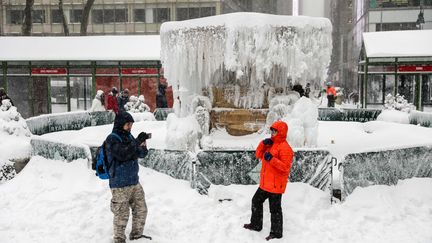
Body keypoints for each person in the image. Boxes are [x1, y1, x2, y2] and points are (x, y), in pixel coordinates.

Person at [244, 120, 294, 241]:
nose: (272, 133)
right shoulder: (271, 144)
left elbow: (285, 167)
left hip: (276, 186)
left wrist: (271, 159)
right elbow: (258, 154)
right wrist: (262, 144)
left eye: (275, 131)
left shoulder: (285, 148)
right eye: (272, 130)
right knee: (256, 201)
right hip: (265, 184)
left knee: (275, 210)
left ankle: (276, 233)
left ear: (281, 132)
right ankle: (256, 225)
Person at [105, 111, 151, 243]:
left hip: (133, 181)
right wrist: (136, 142)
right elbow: (123, 154)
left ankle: (137, 236)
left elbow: (141, 154)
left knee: (141, 209)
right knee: (122, 215)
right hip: (119, 184)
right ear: (120, 124)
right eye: (127, 124)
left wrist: (142, 143)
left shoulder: (130, 137)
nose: (130, 126)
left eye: (131, 124)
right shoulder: (112, 139)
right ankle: (119, 239)